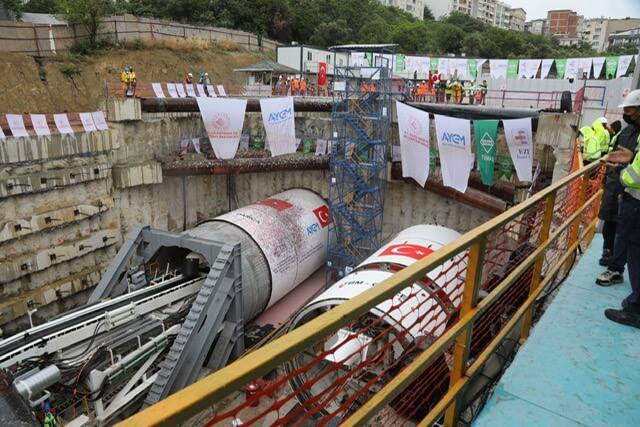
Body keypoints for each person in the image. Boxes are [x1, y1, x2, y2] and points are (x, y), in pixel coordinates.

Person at [603, 89, 640, 328]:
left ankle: (635, 310)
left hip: (636, 203)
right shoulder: (632, 133)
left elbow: (636, 177)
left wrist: (620, 171)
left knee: (636, 256)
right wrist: (631, 157)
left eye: (628, 109)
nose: (625, 114)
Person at [596, 120, 625, 269]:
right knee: (610, 217)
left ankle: (616, 257)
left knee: (623, 223)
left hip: (626, 184)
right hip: (615, 180)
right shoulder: (624, 134)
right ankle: (608, 251)